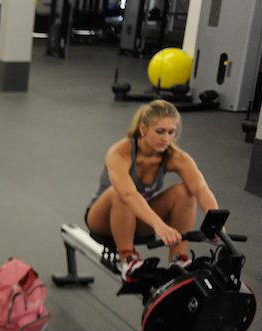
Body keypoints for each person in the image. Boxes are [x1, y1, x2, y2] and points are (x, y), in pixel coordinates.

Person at [85, 99, 218, 281]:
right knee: (120, 192)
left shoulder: (174, 156)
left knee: (186, 192)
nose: (166, 138)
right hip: (102, 220)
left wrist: (217, 225)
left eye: (171, 132)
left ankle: (178, 260)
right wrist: (160, 225)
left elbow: (201, 188)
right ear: (143, 129)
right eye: (160, 131)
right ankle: (127, 261)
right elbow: (128, 194)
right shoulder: (121, 152)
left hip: (139, 219)